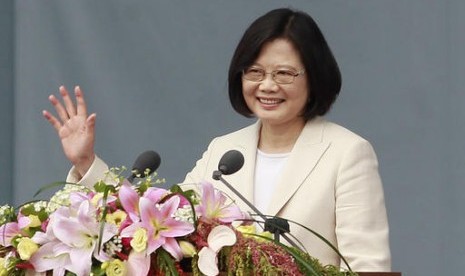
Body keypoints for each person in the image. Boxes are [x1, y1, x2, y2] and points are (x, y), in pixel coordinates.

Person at [43, 8, 391, 272]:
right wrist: (87, 163)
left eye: (284, 73)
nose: (267, 85)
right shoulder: (224, 152)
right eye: (254, 72)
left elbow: (367, 265)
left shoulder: (346, 153)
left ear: (314, 77)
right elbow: (158, 228)